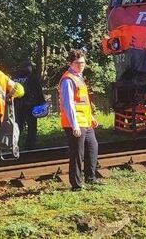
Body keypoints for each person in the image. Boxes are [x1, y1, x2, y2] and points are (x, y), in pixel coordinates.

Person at [59, 49, 101, 191]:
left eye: (83, 62)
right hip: (75, 122)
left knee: (92, 147)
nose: (81, 65)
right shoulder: (68, 79)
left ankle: (91, 177)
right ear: (71, 63)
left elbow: (83, 102)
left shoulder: (79, 77)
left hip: (86, 121)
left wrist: (91, 117)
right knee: (77, 153)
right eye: (78, 63)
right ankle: (76, 185)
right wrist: (74, 124)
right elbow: (68, 103)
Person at [13, 60, 46, 150]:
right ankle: (30, 146)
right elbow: (38, 91)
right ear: (28, 67)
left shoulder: (15, 78)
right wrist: (42, 102)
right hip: (30, 106)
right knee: (32, 127)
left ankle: (14, 145)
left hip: (18, 106)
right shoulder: (32, 77)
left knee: (18, 126)